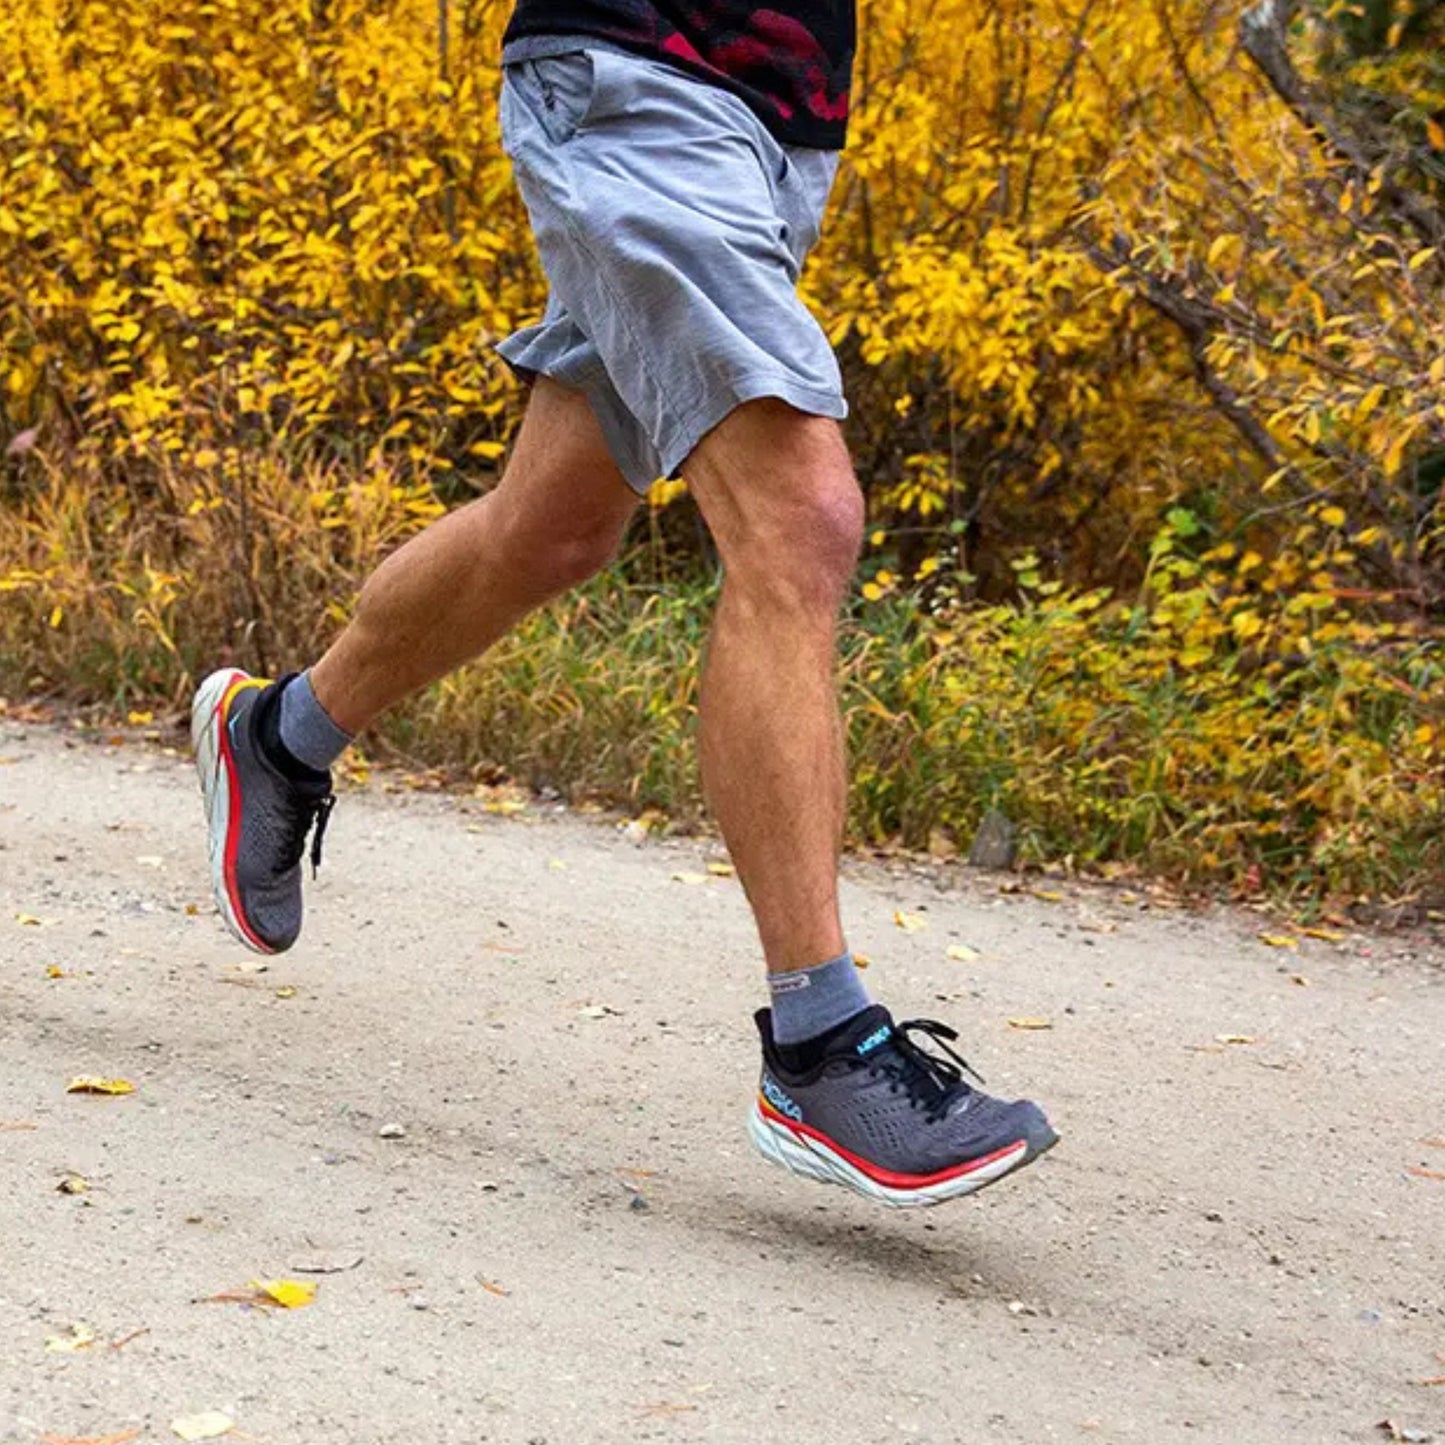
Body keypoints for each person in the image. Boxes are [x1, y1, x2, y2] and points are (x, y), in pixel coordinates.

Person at [190, 0, 1058, 1208]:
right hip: (637, 74)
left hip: (778, 120)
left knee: (554, 523)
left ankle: (280, 735)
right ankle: (820, 1041)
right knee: (798, 515)